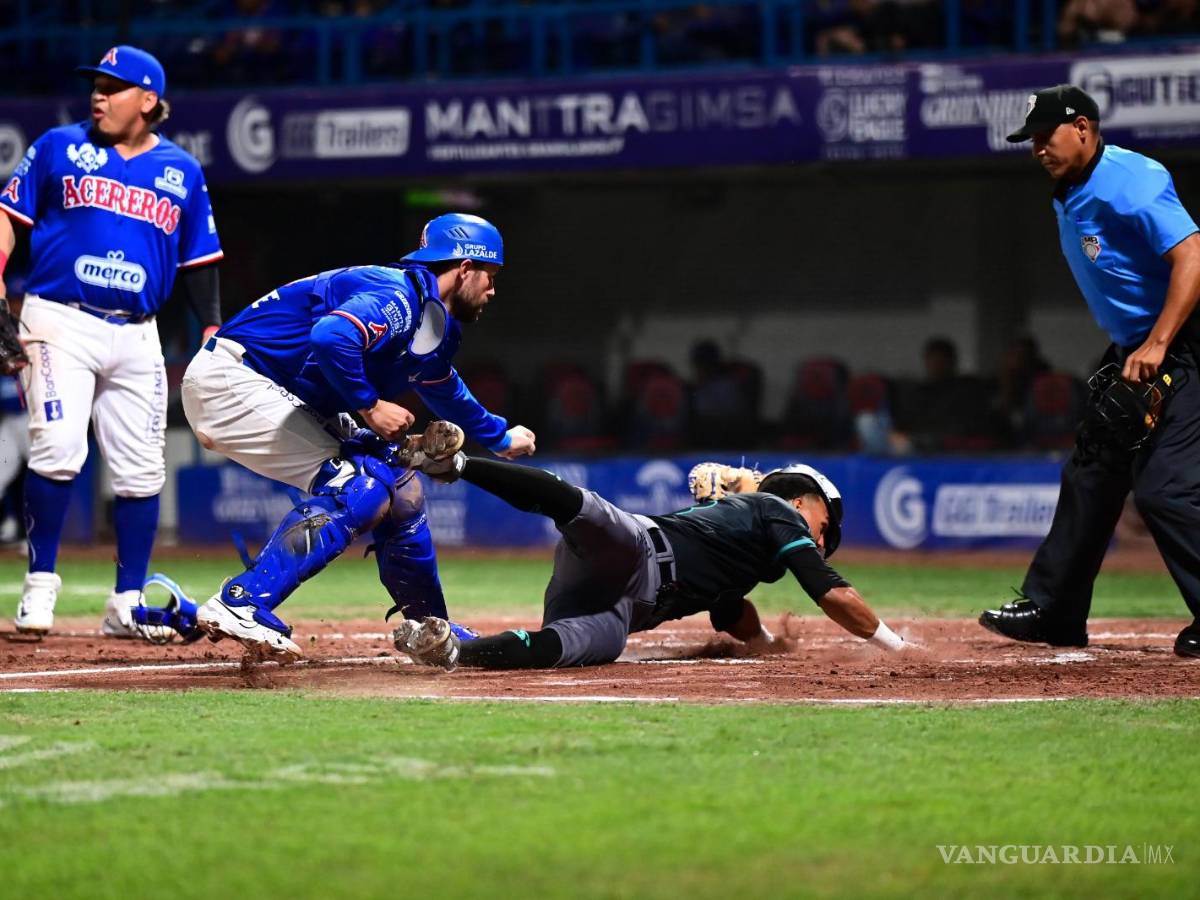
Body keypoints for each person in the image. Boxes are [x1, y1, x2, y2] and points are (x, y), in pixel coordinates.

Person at [180, 213, 536, 660]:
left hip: (278, 391)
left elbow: (441, 385)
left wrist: (498, 436)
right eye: (491, 273)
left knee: (401, 489)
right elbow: (332, 337)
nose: (493, 287)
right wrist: (370, 406)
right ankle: (243, 602)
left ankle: (429, 629)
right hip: (232, 380)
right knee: (357, 487)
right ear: (464, 268)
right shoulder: (397, 296)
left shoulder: (432, 320)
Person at [0, 46, 223, 637]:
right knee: (57, 449)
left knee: (142, 473)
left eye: (114, 86)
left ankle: (125, 602)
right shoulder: (57, 147)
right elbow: (7, 214)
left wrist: (211, 326)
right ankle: (40, 585)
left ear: (148, 100)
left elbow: (201, 260)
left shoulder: (182, 171)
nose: (98, 94)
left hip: (137, 333)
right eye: (96, 84)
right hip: (58, 320)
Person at [980, 84, 1200, 657]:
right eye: (1029, 140)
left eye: (1045, 135)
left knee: (1165, 491)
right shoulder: (1072, 186)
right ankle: (1054, 611)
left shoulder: (1132, 179)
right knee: (1091, 476)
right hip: (1138, 347)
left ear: (1082, 127)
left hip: (1183, 343)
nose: (1036, 149)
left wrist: (1158, 343)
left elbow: (1193, 256)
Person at [393, 456, 910, 670]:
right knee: (585, 508)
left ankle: (454, 651)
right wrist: (898, 647)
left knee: (589, 645)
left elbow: (729, 608)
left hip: (622, 603)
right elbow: (831, 593)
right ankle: (456, 463)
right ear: (803, 500)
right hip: (639, 548)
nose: (823, 541)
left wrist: (763, 644)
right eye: (826, 527)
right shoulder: (777, 510)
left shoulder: (745, 546)